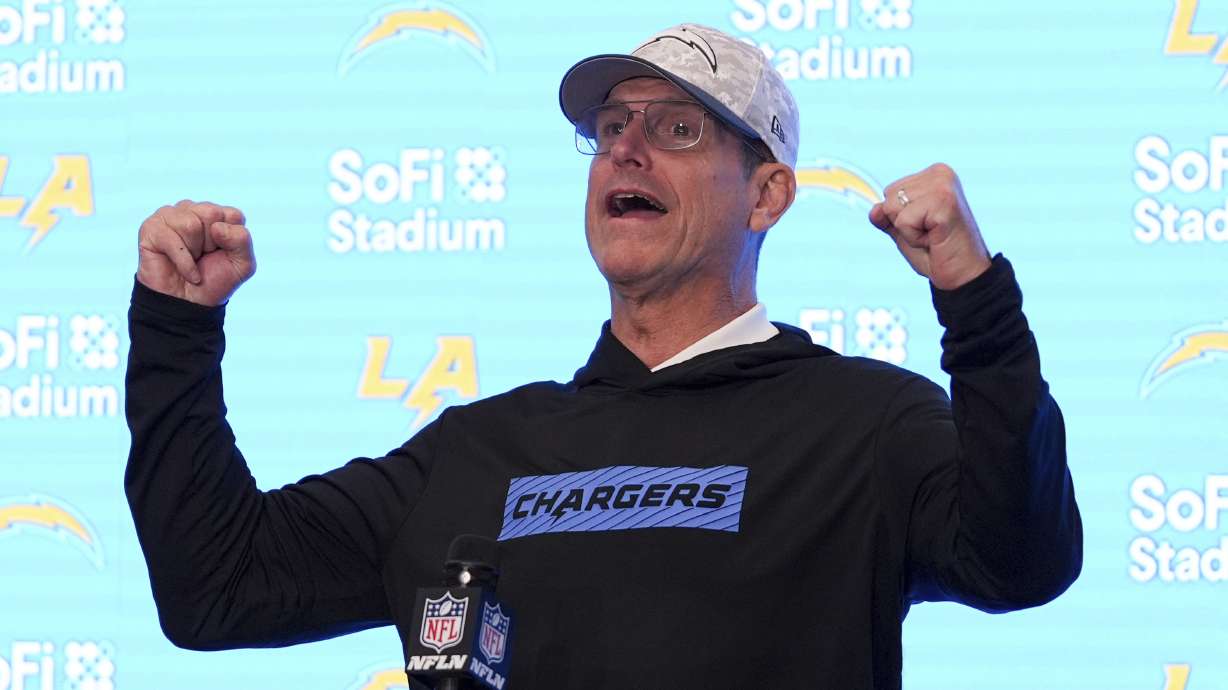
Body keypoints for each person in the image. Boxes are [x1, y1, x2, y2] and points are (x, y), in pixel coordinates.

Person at [125, 23, 1082, 689]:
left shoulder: (865, 427)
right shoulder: (475, 454)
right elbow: (216, 588)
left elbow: (1022, 559)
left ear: (767, 195)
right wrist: (176, 329)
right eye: (609, 128)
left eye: (676, 128)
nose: (627, 150)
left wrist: (975, 299)